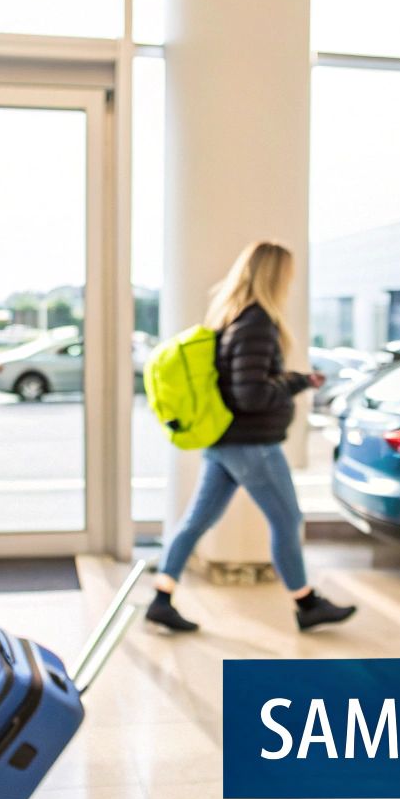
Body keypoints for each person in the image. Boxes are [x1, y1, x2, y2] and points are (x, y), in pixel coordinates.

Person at [147, 241, 357, 634]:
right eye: (288, 274)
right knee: (287, 519)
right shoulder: (258, 323)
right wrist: (295, 382)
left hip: (227, 441)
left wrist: (292, 380)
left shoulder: (232, 319)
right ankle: (307, 604)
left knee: (196, 521)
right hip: (251, 445)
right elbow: (251, 394)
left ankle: (161, 597)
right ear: (275, 276)